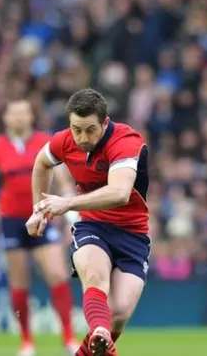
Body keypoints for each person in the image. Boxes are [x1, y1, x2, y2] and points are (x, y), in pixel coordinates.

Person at [27, 89, 151, 356]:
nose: (82, 138)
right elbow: (41, 162)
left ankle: (99, 334)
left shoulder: (125, 141)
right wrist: (38, 209)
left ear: (105, 123)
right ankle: (100, 331)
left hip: (133, 234)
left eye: (90, 130)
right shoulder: (64, 140)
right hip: (92, 227)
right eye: (76, 129)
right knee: (95, 278)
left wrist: (67, 202)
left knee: (117, 313)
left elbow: (119, 193)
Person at [0, 99, 80, 356]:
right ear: (6, 118)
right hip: (11, 221)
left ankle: (68, 337)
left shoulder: (47, 143)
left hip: (43, 216)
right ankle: (26, 342)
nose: (20, 118)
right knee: (19, 283)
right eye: (15, 113)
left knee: (58, 274)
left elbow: (65, 183)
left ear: (32, 116)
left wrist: (73, 221)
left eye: (24, 112)